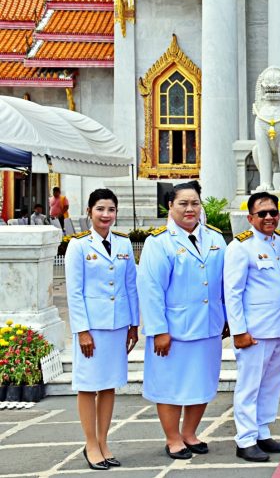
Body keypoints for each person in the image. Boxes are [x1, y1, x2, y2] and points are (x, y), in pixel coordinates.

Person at [139, 181, 228, 460]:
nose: (190, 209)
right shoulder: (159, 242)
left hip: (209, 324)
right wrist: (158, 330)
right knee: (170, 385)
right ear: (170, 206)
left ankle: (190, 433)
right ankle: (173, 437)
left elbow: (226, 283)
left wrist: (227, 318)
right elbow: (151, 289)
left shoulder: (215, 239)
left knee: (202, 382)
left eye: (194, 203)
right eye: (183, 204)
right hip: (174, 330)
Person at [65, 189, 138, 470]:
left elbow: (130, 285)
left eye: (111, 210)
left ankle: (103, 441)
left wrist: (133, 324)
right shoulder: (79, 245)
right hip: (92, 328)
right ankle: (90, 444)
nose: (106, 215)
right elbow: (74, 292)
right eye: (100, 209)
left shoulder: (123, 244)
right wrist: (82, 330)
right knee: (88, 386)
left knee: (109, 385)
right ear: (89, 211)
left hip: (118, 325)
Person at [224, 192, 280, 463]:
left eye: (273, 213)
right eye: (262, 213)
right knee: (249, 386)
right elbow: (233, 292)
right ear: (250, 217)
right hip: (254, 331)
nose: (268, 218)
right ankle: (245, 439)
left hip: (279, 327)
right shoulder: (240, 247)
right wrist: (238, 331)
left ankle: (263, 431)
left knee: (271, 385)